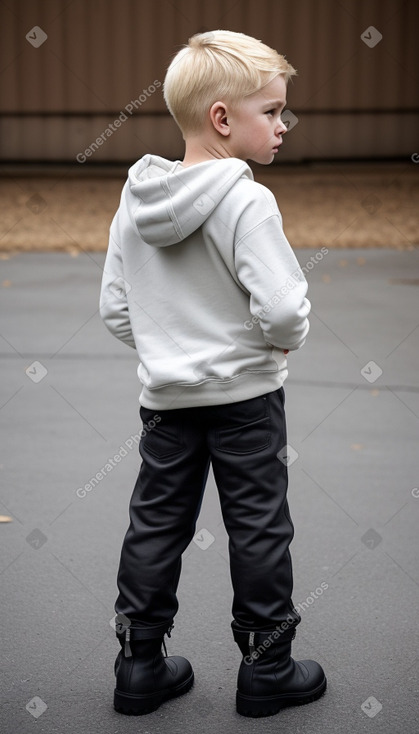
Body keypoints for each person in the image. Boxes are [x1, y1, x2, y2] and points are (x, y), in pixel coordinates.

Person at [99, 29, 326, 718]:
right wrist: (277, 345)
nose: (283, 125)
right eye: (272, 110)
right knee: (257, 526)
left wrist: (167, 351)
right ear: (222, 118)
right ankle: (266, 669)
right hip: (245, 402)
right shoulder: (245, 200)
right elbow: (283, 307)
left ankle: (139, 666)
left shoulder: (136, 198)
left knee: (155, 523)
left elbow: (114, 308)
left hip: (164, 401)